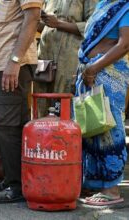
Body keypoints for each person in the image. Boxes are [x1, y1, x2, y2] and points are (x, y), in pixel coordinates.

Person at [0, 0, 43, 203]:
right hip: (0, 63)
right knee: (3, 124)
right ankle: (11, 180)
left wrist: (14, 61)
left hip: (11, 64)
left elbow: (32, 17)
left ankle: (17, 186)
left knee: (10, 125)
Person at [75, 0, 129, 206]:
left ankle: (112, 190)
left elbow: (124, 43)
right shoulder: (102, 4)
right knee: (91, 127)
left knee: (110, 128)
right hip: (91, 72)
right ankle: (95, 183)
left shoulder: (125, 7)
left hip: (109, 73)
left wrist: (94, 67)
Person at [34, 0, 97, 117]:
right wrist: (38, 20)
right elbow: (46, 27)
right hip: (45, 57)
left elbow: (94, 26)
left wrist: (58, 23)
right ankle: (41, 134)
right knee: (41, 101)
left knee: (63, 104)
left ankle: (64, 135)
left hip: (69, 60)